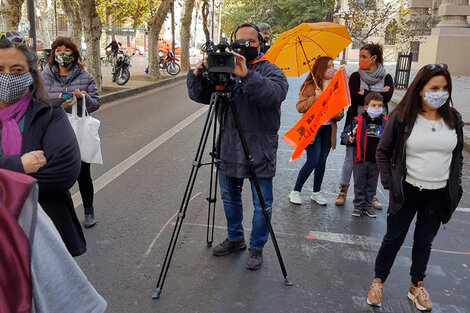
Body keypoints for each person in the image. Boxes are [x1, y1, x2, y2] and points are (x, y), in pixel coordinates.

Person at [187, 22, 288, 270]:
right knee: (229, 198)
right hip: (229, 146)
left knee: (261, 203)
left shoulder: (270, 70)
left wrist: (246, 74)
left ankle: (256, 247)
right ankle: (235, 239)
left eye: (249, 42)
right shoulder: (226, 70)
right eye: (239, 43)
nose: (243, 47)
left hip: (259, 149)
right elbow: (200, 96)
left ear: (259, 44)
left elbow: (273, 95)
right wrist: (199, 73)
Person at [366, 64, 463, 311]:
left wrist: (456, 186)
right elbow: (383, 152)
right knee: (393, 239)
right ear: (421, 89)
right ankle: (378, 281)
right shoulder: (402, 118)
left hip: (438, 193)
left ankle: (416, 285)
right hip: (407, 191)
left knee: (424, 242)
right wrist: (389, 183)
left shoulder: (454, 119)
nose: (439, 93)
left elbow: (457, 157)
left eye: (444, 88)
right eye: (434, 88)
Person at [0, 32, 84, 256]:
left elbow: (63, 173)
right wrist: (18, 165)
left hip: (43, 232)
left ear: (29, 74)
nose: (6, 77)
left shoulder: (49, 113)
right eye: (0, 70)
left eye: (16, 70)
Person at [0, 168, 107, 313]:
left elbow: (65, 166)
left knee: (84, 174)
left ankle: (89, 209)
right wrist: (20, 163)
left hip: (47, 200)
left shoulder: (13, 195)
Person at [42, 36, 101, 228]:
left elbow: (96, 104)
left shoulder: (85, 77)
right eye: (58, 51)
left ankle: (89, 210)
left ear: (74, 54)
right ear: (53, 54)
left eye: (66, 51)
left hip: (79, 131)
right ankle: (61, 215)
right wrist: (58, 99)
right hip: (54, 132)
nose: (62, 54)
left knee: (83, 174)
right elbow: (38, 100)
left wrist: (82, 98)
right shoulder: (45, 76)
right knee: (57, 174)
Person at [335, 43, 394, 209]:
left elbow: (387, 98)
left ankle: (371, 195)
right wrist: (378, 94)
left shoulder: (387, 77)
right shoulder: (355, 76)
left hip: (378, 127)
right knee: (350, 157)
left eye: (363, 57)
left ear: (373, 58)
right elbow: (354, 98)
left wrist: (365, 95)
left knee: (374, 159)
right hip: (356, 123)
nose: (360, 60)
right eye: (360, 56)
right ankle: (343, 190)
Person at [288, 57, 344, 205]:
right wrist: (315, 98)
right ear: (320, 70)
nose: (332, 69)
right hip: (313, 130)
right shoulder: (310, 86)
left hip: (328, 129)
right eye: (328, 67)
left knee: (322, 161)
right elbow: (300, 107)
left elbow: (340, 113)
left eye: (333, 66)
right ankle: (295, 191)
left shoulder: (335, 86)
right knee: (312, 160)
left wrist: (330, 109)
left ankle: (316, 192)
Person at [341, 92, 387, 218]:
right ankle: (358, 205)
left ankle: (367, 205)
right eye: (374, 105)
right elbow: (345, 134)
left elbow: (390, 139)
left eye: (379, 105)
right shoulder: (358, 120)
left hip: (375, 160)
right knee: (359, 184)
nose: (377, 108)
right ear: (366, 107)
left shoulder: (385, 122)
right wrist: (348, 138)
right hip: (360, 158)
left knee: (372, 185)